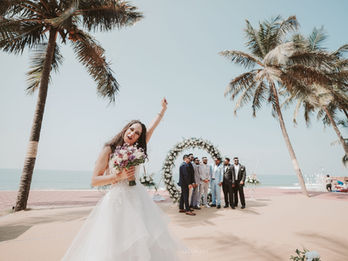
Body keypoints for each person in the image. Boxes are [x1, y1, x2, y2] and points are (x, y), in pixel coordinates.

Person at [61, 98, 183, 261]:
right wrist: (117, 176)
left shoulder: (137, 148)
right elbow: (95, 180)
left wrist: (162, 110)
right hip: (117, 202)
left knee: (143, 240)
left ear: (140, 137)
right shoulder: (109, 149)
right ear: (126, 129)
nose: (132, 134)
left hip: (139, 199)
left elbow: (153, 127)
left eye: (137, 133)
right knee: (116, 242)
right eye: (131, 129)